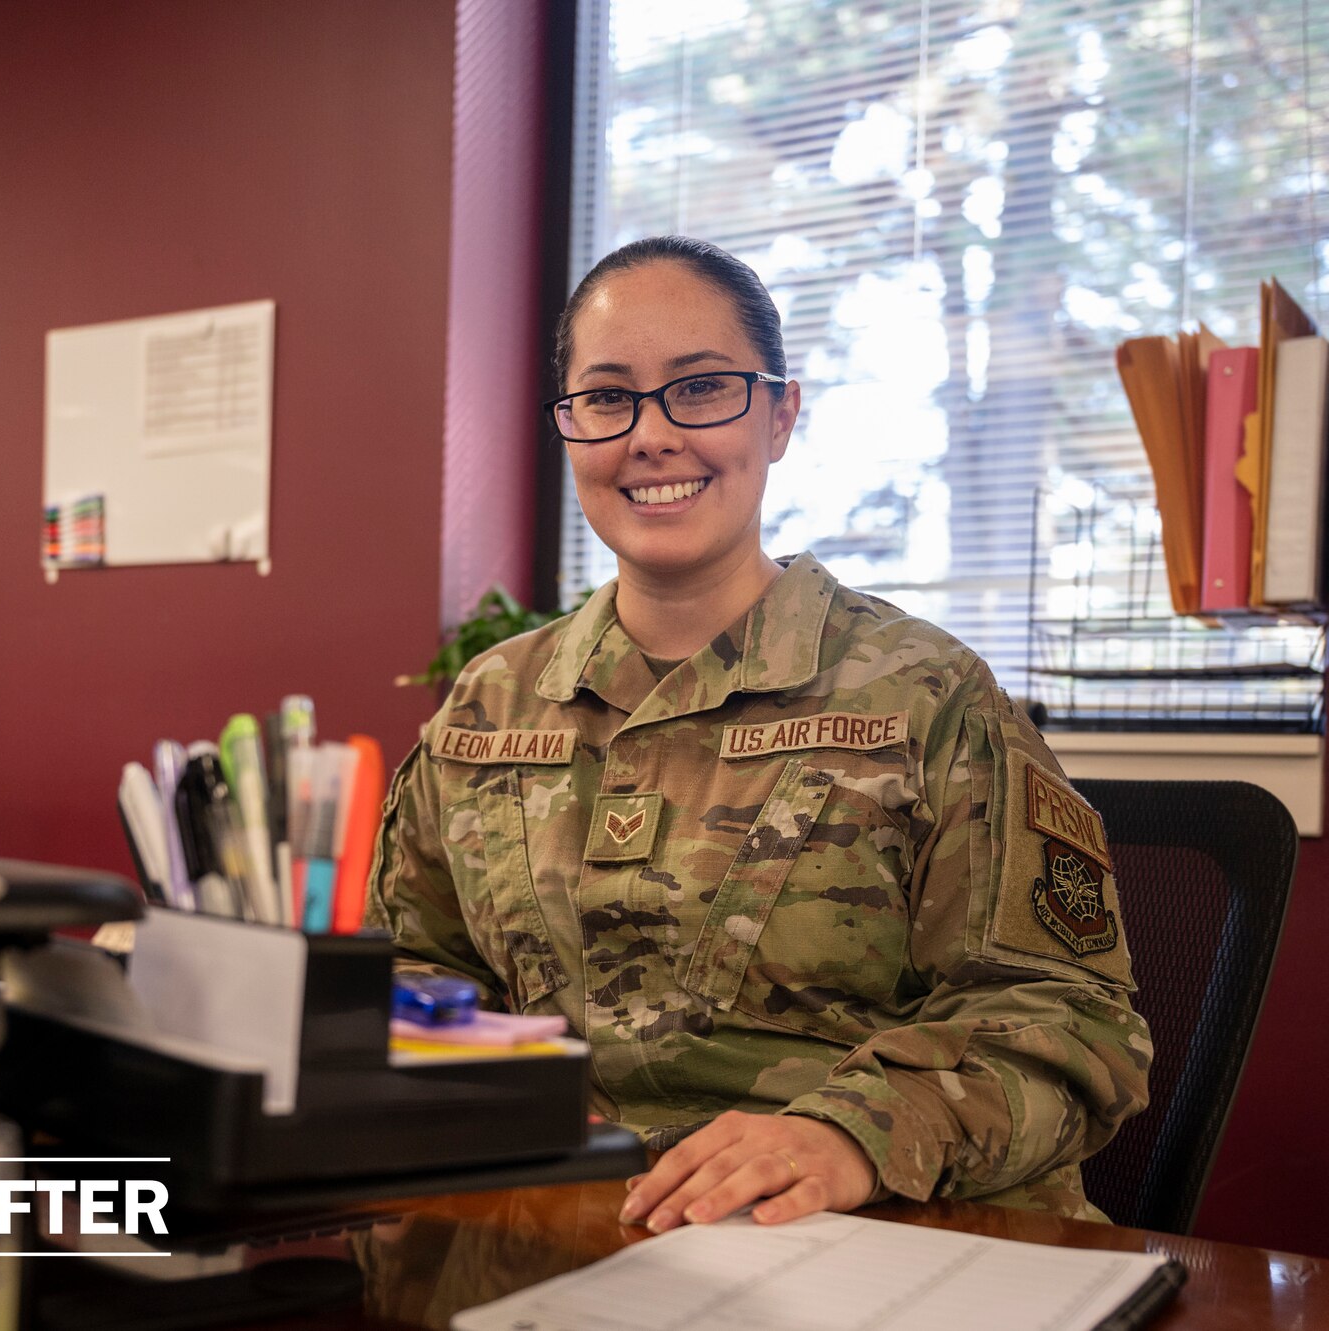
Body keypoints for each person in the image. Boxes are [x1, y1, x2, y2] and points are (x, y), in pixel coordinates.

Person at [366, 235, 1149, 1233]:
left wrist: (847, 1134)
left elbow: (1073, 1025)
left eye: (699, 389)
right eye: (607, 397)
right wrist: (490, 1086)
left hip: (866, 1239)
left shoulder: (924, 695)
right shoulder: (490, 703)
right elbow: (403, 968)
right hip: (560, 1230)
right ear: (569, 427)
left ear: (779, 415)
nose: (649, 435)